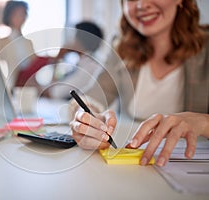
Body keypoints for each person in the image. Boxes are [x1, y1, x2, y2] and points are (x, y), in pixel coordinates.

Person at [69, 0, 209, 166]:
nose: (142, 4)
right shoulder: (121, 46)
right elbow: (91, 98)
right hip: (135, 170)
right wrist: (85, 120)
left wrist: (205, 122)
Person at [46, 21, 105, 99]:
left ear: (80, 40)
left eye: (72, 36)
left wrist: (56, 61)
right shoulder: (82, 63)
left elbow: (55, 93)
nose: (69, 40)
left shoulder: (89, 68)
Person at [0, 1, 49, 87]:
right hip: (11, 87)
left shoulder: (29, 43)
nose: (21, 17)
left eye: (23, 14)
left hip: (29, 87)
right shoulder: (2, 43)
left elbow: (33, 69)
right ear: (10, 15)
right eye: (18, 14)